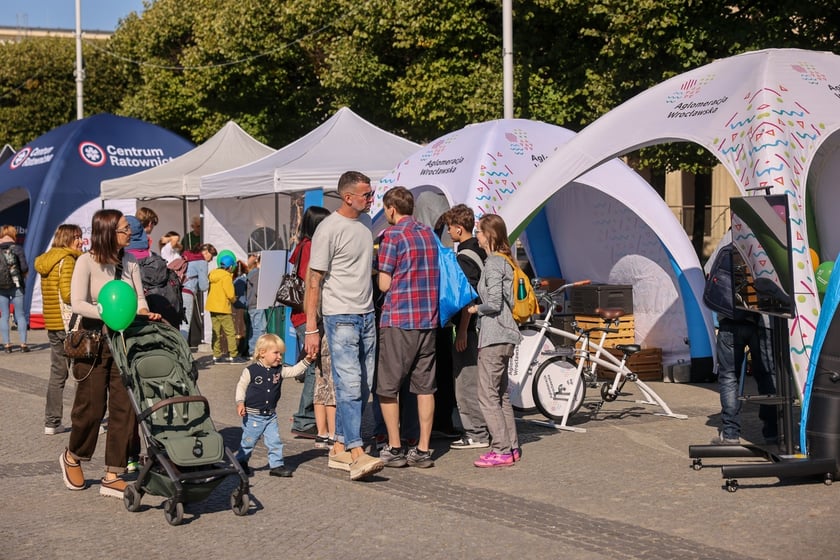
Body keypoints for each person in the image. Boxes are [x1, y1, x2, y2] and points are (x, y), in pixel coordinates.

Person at [59, 209, 162, 497]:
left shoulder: (130, 262)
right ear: (108, 231)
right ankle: (72, 456)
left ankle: (112, 473)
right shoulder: (85, 262)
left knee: (124, 408)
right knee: (90, 408)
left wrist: (144, 311)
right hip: (94, 340)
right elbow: (78, 303)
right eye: (124, 229)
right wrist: (105, 312)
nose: (130, 233)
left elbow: (139, 297)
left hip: (125, 339)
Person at [303, 171, 384, 481]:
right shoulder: (328, 229)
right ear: (348, 197)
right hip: (340, 317)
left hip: (366, 316)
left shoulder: (365, 224)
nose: (371, 199)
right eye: (366, 195)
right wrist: (312, 329)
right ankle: (355, 451)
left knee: (364, 386)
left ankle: (337, 446)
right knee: (349, 384)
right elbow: (314, 280)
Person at [375, 187, 439, 468]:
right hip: (428, 319)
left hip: (400, 318)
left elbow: (385, 284)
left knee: (388, 387)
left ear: (391, 208)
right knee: (425, 387)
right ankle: (423, 449)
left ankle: (394, 446)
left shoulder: (392, 236)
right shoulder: (427, 233)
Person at [466, 214, 522, 468]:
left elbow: (495, 303)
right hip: (504, 334)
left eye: (479, 232)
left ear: (490, 235)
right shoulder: (504, 261)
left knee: (487, 395)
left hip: (495, 335)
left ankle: (500, 449)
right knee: (499, 395)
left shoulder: (494, 264)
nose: (476, 236)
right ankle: (511, 447)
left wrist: (475, 309)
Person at [235, 333, 314, 477]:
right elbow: (241, 387)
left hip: (270, 415)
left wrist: (306, 361)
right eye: (276, 353)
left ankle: (276, 465)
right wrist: (240, 402)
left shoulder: (280, 370)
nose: (280, 357)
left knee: (275, 441)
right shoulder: (251, 371)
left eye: (281, 354)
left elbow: (295, 370)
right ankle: (241, 462)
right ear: (262, 353)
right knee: (248, 441)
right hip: (253, 415)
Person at [445, 205, 490, 449]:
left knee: (465, 382)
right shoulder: (480, 251)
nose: (449, 231)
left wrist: (462, 330)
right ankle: (482, 430)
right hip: (484, 327)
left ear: (458, 228)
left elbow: (467, 297)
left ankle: (476, 433)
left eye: (450, 227)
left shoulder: (465, 257)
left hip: (470, 327)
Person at [35, 224, 84, 435]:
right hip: (70, 325)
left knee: (57, 373)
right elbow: (66, 294)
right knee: (82, 373)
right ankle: (84, 421)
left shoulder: (47, 260)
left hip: (54, 324)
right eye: (77, 237)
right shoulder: (69, 259)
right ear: (68, 239)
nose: (81, 241)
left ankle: (52, 422)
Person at [289, 205, 331, 440]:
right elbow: (312, 282)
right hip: (307, 315)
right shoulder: (310, 247)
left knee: (314, 367)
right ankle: (305, 419)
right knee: (315, 368)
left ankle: (308, 417)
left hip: (301, 315)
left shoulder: (301, 246)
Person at [208, 253, 246, 364]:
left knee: (216, 331)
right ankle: (233, 355)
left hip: (212, 307)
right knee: (230, 332)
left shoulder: (213, 275)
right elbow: (230, 294)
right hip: (223, 308)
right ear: (230, 267)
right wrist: (236, 301)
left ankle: (216, 355)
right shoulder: (226, 277)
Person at [0, 224, 30, 352]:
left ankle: (7, 345)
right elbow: (24, 268)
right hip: (17, 285)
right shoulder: (17, 249)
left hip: (1, 287)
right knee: (20, 315)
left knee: (4, 315)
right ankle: (23, 344)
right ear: (13, 235)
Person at [181, 243, 216, 343]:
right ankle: (182, 350)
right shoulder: (202, 262)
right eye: (211, 255)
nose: (211, 259)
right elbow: (203, 286)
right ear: (205, 252)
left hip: (178, 291)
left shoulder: (188, 257)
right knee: (185, 323)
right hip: (188, 292)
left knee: (179, 323)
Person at [245, 253, 267, 357]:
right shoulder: (257, 273)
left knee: (254, 328)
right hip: (257, 304)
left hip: (252, 304)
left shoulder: (252, 272)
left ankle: (252, 350)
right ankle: (255, 351)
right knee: (259, 328)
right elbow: (259, 290)